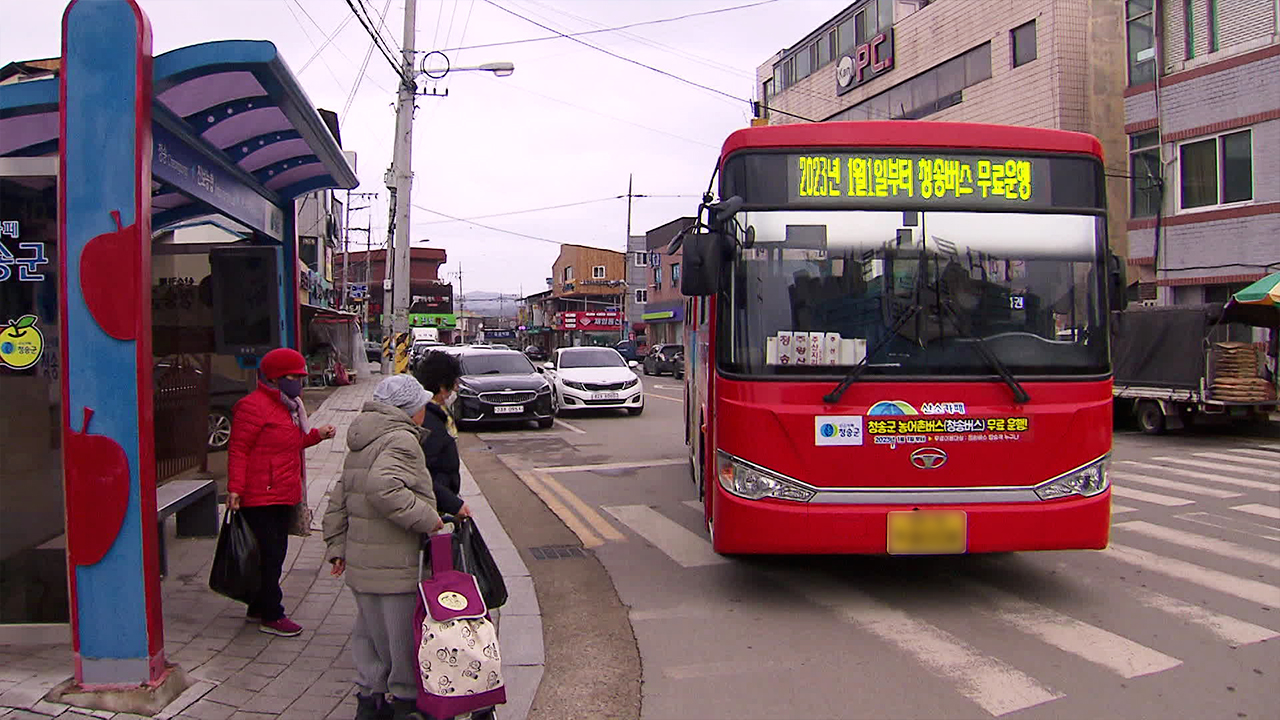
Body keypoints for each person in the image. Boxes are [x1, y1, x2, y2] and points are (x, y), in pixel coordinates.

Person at [324, 374, 444, 720]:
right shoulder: (401, 441)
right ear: (408, 410)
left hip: (363, 564)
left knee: (368, 636)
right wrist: (429, 518)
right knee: (400, 641)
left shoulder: (364, 438)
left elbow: (341, 494)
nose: (425, 409)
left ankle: (370, 700)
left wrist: (336, 545)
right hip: (394, 564)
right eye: (420, 404)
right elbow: (383, 488)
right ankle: (404, 703)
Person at [227, 347, 337, 637]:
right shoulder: (253, 407)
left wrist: (316, 436)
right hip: (259, 495)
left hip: (282, 493)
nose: (298, 382)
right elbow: (238, 450)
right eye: (293, 376)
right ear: (275, 378)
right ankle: (272, 614)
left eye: (300, 376)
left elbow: (290, 444)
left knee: (272, 554)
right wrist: (235, 490)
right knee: (270, 555)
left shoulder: (290, 407)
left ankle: (257, 605)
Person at [412, 351, 472, 520]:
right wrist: (452, 504)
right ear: (441, 385)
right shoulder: (427, 421)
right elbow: (423, 474)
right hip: (431, 507)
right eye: (454, 383)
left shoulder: (439, 412)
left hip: (439, 501)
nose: (457, 388)